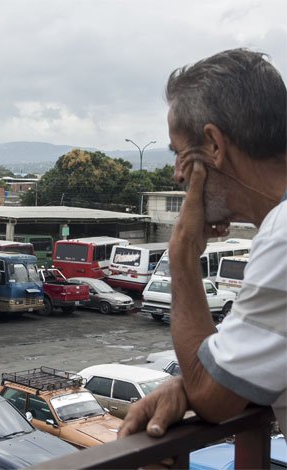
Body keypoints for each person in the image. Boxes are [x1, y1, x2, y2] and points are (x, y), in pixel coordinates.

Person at [120, 48, 287, 441]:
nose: (179, 175)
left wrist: (180, 253)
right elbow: (227, 380)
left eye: (179, 154)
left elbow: (213, 396)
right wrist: (199, 381)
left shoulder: (282, 236)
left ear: (214, 144)